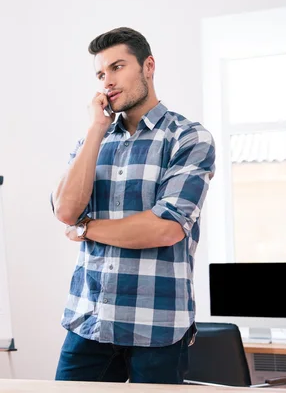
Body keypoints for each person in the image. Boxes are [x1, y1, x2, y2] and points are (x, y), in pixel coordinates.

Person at [51, 27, 216, 384]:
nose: (107, 81)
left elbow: (165, 227)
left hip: (157, 328)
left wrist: (86, 228)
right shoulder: (91, 141)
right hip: (89, 322)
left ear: (148, 66)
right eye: (100, 73)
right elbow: (65, 210)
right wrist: (96, 129)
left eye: (117, 67)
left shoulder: (188, 137)